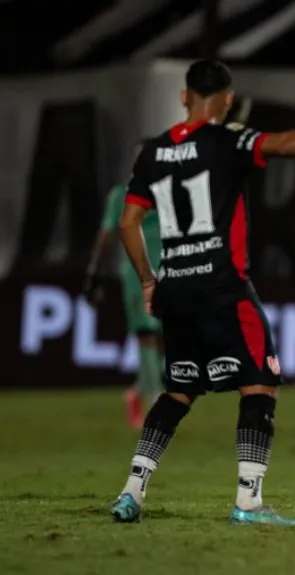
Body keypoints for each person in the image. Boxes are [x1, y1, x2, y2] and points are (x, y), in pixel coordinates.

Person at [110, 59, 295, 526]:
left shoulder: (153, 151)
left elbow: (127, 222)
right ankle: (249, 502)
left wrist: (149, 280)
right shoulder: (229, 140)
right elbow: (282, 143)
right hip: (222, 285)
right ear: (229, 100)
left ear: (184, 98)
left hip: (175, 285)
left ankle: (132, 492)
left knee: (178, 389)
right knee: (260, 380)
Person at [84, 139, 164, 429]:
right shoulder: (121, 196)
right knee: (147, 335)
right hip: (136, 276)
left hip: (170, 275)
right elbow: (106, 236)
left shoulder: (171, 194)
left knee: (167, 343)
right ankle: (155, 403)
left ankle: (136, 391)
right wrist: (94, 273)